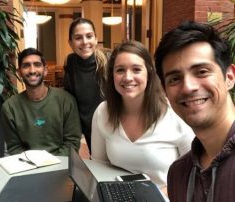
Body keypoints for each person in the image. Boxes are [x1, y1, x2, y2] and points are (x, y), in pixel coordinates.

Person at [91, 41, 194, 193]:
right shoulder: (103, 112)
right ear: (112, 75)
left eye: (136, 69)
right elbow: (99, 165)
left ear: (149, 73)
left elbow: (193, 174)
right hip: (118, 195)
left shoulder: (175, 113)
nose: (127, 77)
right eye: (120, 70)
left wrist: (164, 193)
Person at [154, 21, 235, 202]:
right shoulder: (178, 174)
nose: (188, 87)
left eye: (201, 72)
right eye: (175, 79)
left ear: (229, 77)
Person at [1, 48, 82, 156]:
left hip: (62, 165)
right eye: (26, 65)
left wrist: (53, 166)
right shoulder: (10, 107)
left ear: (45, 70)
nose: (32, 70)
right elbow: (14, 147)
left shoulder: (66, 100)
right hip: (28, 167)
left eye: (37, 64)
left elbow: (72, 143)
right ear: (19, 72)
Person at [64, 17, 111, 153]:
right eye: (78, 38)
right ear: (70, 43)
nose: (85, 42)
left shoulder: (109, 61)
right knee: (97, 164)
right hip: (88, 128)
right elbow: (70, 96)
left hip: (111, 126)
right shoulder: (70, 62)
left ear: (96, 39)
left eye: (89, 36)